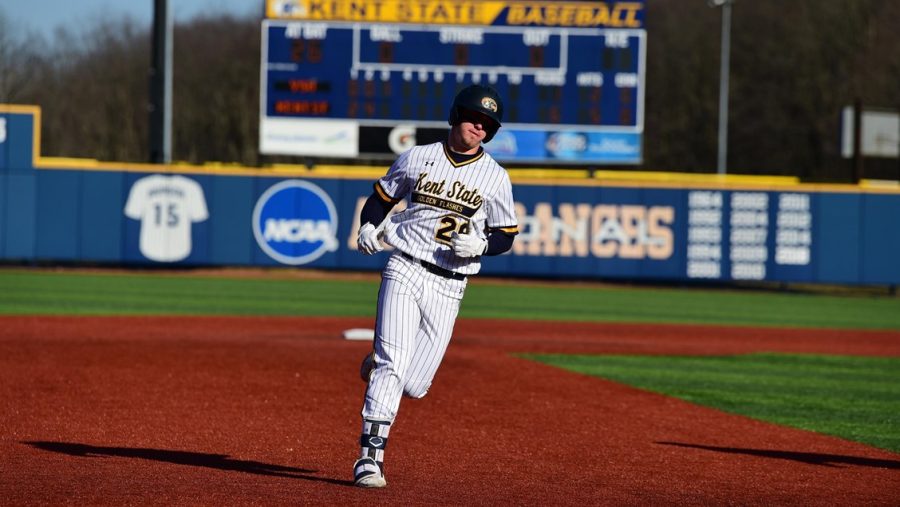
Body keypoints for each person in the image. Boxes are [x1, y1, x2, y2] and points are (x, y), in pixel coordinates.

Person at [352, 84, 519, 488]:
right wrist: (369, 227)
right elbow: (380, 198)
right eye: (473, 117)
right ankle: (369, 458)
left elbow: (506, 234)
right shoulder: (418, 157)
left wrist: (482, 242)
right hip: (405, 266)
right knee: (394, 364)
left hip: (450, 284)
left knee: (416, 383)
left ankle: (377, 364)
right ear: (455, 115)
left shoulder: (495, 178)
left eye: (487, 124)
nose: (479, 127)